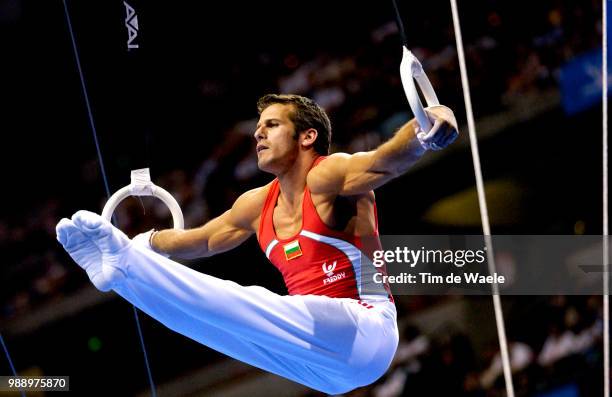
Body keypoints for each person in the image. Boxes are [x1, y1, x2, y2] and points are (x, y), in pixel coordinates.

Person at [56, 94, 458, 394]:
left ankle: (126, 262)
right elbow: (203, 240)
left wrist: (426, 127)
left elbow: (384, 160)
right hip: (323, 370)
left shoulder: (329, 175)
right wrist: (144, 241)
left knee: (243, 303)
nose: (257, 133)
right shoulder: (255, 204)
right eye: (258, 127)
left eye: (271, 125)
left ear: (307, 136)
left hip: (367, 330)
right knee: (211, 327)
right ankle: (124, 273)